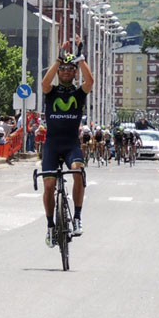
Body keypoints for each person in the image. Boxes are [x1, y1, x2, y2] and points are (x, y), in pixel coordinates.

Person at [41, 37, 93, 248]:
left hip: (71, 143)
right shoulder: (51, 92)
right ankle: (51, 225)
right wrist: (58, 59)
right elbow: (45, 82)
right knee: (49, 184)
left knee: (78, 172)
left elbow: (90, 81)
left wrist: (80, 58)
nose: (66, 72)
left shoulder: (78, 93)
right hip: (52, 144)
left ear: (74, 73)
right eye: (63, 69)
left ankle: (78, 217)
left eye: (70, 69)